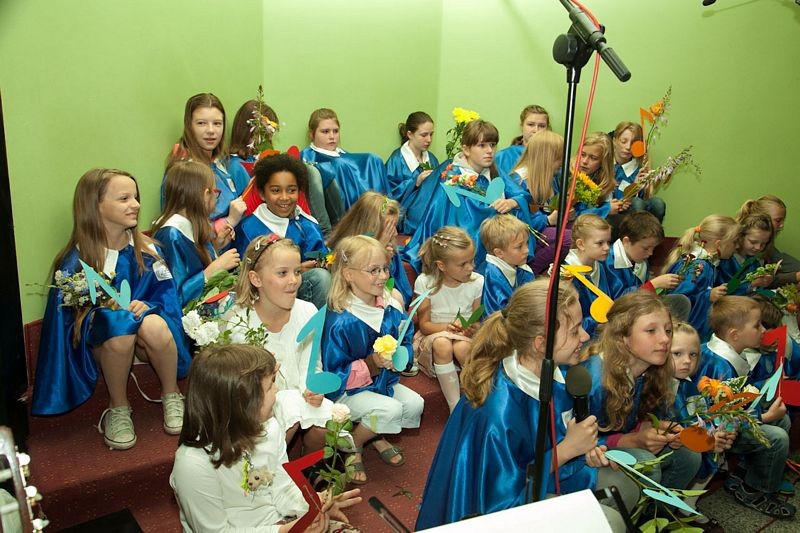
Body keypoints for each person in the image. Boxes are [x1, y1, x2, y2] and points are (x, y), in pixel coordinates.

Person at [416, 280, 637, 532]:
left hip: (547, 477)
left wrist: (583, 449)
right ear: (541, 344)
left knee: (625, 486)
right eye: (575, 331)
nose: (585, 337)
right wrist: (566, 450)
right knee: (610, 520)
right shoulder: (498, 412)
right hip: (508, 508)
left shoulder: (557, 373)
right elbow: (500, 507)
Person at [32, 168, 189, 451]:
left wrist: (149, 306)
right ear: (96, 206)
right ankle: (119, 407)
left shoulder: (149, 251)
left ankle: (171, 394)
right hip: (106, 348)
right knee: (119, 327)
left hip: (148, 344)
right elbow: (65, 325)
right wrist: (103, 314)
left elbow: (168, 300)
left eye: (136, 197)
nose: (136, 205)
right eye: (124, 199)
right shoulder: (76, 261)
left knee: (153, 323)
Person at [170, 344, 362, 532]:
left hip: (279, 522)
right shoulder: (192, 464)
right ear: (242, 403)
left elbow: (282, 488)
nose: (277, 390)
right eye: (270, 385)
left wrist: (312, 505)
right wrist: (285, 531)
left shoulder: (269, 428)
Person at [582, 292, 702, 506]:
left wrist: (655, 429)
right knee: (646, 464)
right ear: (622, 337)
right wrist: (633, 440)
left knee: (688, 454)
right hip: (589, 457)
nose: (665, 339)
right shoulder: (594, 379)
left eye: (668, 330)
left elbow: (635, 419)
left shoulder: (652, 371)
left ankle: (656, 517)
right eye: (651, 331)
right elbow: (574, 441)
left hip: (618, 442)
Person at [322, 236, 424, 484]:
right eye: (373, 270)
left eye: (385, 268)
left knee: (415, 404)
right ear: (348, 274)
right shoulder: (340, 320)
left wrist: (399, 358)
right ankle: (353, 446)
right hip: (348, 391)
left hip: (382, 383)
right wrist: (371, 364)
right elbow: (333, 376)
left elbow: (406, 339)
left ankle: (373, 434)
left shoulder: (391, 307)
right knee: (390, 410)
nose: (383, 276)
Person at [224, 236, 333, 450]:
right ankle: (269, 464)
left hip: (299, 398)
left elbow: (311, 363)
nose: (294, 280)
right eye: (283, 273)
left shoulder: (308, 311)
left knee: (329, 424)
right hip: (259, 406)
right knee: (290, 406)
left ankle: (309, 464)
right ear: (256, 279)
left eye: (297, 272)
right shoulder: (239, 322)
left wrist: (311, 387)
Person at [696, 296, 795, 518]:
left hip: (728, 422)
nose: (763, 330)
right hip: (715, 433)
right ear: (735, 334)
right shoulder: (720, 366)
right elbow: (722, 421)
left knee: (783, 418)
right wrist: (765, 417)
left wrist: (766, 389)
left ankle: (744, 474)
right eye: (757, 325)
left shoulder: (724, 352)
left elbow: (737, 400)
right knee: (777, 437)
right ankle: (755, 491)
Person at [401, 119, 533, 272]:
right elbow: (461, 221)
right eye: (482, 145)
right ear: (466, 149)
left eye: (492, 145)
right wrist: (496, 213)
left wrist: (511, 202)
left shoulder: (493, 170)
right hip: (465, 239)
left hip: (497, 236)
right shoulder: (454, 177)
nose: (489, 151)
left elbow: (521, 194)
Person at [229, 100, 342, 237]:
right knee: (311, 172)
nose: (270, 134)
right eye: (266, 129)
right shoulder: (237, 165)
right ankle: (325, 233)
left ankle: (335, 231)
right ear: (249, 129)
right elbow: (246, 204)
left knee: (321, 173)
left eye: (272, 129)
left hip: (284, 216)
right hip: (264, 222)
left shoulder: (262, 157)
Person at [234, 154, 330, 310]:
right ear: (262, 193)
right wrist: (295, 270)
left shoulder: (308, 225)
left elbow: (324, 261)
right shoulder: (249, 228)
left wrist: (321, 265)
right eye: (276, 190)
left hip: (302, 297)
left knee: (322, 277)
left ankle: (315, 324)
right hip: (263, 299)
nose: (285, 197)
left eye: (291, 190)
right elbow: (242, 276)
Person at [152, 161, 240, 308]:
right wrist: (214, 269)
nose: (216, 197)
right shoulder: (171, 235)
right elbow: (174, 297)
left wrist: (216, 247)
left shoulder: (193, 225)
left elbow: (193, 266)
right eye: (215, 192)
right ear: (206, 195)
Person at [414, 227, 484, 412]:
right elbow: (424, 325)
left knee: (461, 347)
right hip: (434, 335)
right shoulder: (425, 282)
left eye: (472, 260)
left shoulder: (477, 281)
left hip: (463, 338)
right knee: (442, 344)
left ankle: (477, 398)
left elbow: (476, 320)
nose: (471, 268)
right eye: (463, 264)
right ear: (442, 265)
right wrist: (447, 327)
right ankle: (454, 406)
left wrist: (471, 327)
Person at [669, 321, 729, 529]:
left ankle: (687, 504)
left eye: (693, 354)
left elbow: (699, 415)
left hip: (687, 438)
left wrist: (716, 432)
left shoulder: (688, 384)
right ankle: (668, 509)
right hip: (669, 445)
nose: (687, 361)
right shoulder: (661, 388)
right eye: (677, 353)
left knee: (721, 439)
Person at [163, 93, 248, 232]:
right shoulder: (183, 172)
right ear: (189, 126)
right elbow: (183, 232)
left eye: (217, 123)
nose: (211, 130)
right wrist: (229, 221)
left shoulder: (221, 164)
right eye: (201, 123)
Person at [326, 192, 411, 307]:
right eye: (389, 228)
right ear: (371, 228)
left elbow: (404, 293)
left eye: (395, 227)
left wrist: (386, 260)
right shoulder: (344, 249)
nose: (395, 233)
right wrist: (377, 252)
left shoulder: (390, 249)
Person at [662, 215, 739, 340]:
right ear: (719, 244)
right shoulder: (698, 266)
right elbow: (679, 302)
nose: (737, 246)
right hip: (682, 336)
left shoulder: (709, 263)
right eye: (734, 242)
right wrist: (708, 296)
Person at [604, 211, 689, 320]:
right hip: (619, 315)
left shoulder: (641, 260)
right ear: (626, 241)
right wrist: (653, 285)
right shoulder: (608, 261)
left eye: (653, 248)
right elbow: (617, 301)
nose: (650, 253)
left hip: (638, 307)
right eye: (646, 248)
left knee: (680, 301)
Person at [300, 108, 390, 211]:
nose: (332, 136)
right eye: (325, 132)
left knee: (374, 159)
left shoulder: (343, 154)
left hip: (372, 204)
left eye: (335, 131)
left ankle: (385, 211)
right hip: (343, 212)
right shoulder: (307, 156)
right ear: (312, 134)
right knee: (339, 164)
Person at [384, 111, 440, 234]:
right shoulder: (396, 161)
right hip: (405, 221)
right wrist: (415, 182)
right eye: (424, 135)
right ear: (410, 134)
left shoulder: (432, 159)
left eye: (431, 134)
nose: (429, 139)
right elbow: (388, 196)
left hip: (429, 218)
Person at [562, 214, 614, 338]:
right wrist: (596, 324)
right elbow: (567, 322)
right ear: (581, 244)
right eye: (600, 243)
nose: (607, 248)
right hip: (579, 336)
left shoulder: (599, 265)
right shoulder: (567, 276)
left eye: (608, 242)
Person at [478, 214, 534, 317]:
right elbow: (493, 318)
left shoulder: (523, 270)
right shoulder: (490, 278)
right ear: (499, 253)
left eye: (527, 243)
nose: (527, 250)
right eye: (519, 246)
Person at [738, 195, 800, 286]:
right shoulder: (735, 250)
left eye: (764, 243)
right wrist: (795, 277)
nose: (782, 225)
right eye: (778, 220)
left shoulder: (767, 248)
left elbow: (766, 280)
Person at [610, 121, 666, 222]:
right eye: (623, 141)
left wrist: (637, 186)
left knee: (658, 203)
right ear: (614, 141)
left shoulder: (639, 169)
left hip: (632, 211)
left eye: (633, 144)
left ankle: (652, 231)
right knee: (637, 203)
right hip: (612, 211)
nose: (628, 147)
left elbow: (642, 197)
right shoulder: (606, 163)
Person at [571, 132, 629, 220]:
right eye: (582, 154)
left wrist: (615, 204)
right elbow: (574, 214)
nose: (584, 161)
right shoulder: (565, 177)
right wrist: (605, 210)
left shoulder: (603, 181)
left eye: (593, 158)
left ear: (603, 162)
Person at [717, 213, 775, 295]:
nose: (758, 247)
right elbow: (725, 292)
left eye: (763, 244)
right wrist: (752, 284)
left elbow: (756, 291)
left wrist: (763, 282)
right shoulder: (727, 260)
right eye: (753, 242)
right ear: (740, 236)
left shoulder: (755, 262)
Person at [495, 104, 551, 176]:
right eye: (531, 124)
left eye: (542, 126)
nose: (536, 130)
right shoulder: (503, 157)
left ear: (547, 129)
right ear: (522, 126)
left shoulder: (554, 159)